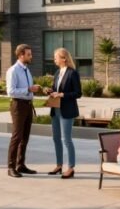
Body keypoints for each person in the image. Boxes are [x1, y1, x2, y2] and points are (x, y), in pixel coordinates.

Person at [6, 44, 42, 178]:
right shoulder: (13, 70)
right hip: (18, 106)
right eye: (28, 54)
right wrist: (28, 89)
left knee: (25, 137)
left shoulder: (26, 70)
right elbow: (10, 91)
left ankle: (20, 165)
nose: (31, 56)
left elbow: (28, 89)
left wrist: (35, 89)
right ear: (21, 55)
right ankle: (11, 167)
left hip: (27, 105)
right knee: (17, 137)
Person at [49, 47, 82, 179]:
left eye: (56, 57)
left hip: (67, 110)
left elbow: (78, 93)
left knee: (66, 140)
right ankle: (59, 165)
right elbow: (55, 89)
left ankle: (71, 168)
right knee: (56, 138)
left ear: (63, 58)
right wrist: (50, 91)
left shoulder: (72, 73)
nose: (54, 60)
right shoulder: (57, 72)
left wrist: (62, 94)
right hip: (55, 109)